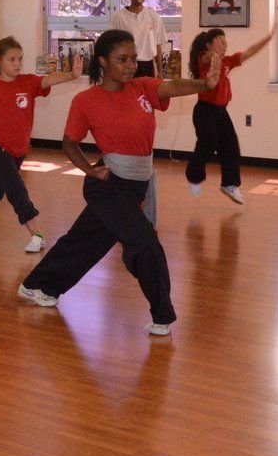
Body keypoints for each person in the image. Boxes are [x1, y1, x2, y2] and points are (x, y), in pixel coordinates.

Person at [17, 30, 221, 336]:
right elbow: (70, 143)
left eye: (132, 58)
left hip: (138, 183)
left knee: (85, 240)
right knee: (145, 244)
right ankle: (162, 315)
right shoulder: (86, 100)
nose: (130, 65)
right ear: (103, 61)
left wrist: (204, 84)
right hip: (108, 185)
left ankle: (38, 285)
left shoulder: (141, 87)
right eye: (121, 59)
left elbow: (171, 87)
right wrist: (89, 170)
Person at [0, 36, 80, 253]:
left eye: (20, 59)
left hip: (18, 149)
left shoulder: (28, 82)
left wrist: (72, 75)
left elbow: (48, 80)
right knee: (15, 188)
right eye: (12, 59)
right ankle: (36, 234)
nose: (18, 63)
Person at [185, 27, 275, 206]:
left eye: (226, 43)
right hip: (205, 111)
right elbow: (207, 57)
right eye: (221, 42)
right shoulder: (204, 57)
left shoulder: (227, 61)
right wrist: (213, 55)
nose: (225, 45)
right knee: (207, 145)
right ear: (210, 44)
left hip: (221, 111)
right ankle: (194, 178)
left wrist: (267, 38)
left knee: (231, 147)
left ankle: (229, 184)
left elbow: (249, 52)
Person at [111, 0, 165, 77]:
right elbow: (114, 46)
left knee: (148, 92)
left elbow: (158, 46)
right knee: (129, 91)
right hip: (127, 63)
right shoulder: (119, 17)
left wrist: (160, 72)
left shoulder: (153, 16)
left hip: (148, 64)